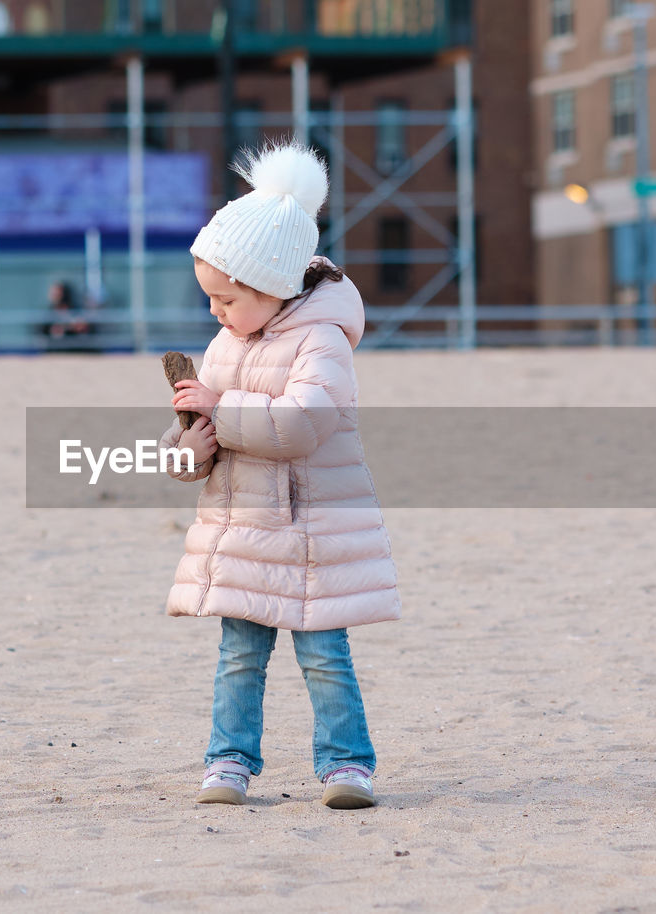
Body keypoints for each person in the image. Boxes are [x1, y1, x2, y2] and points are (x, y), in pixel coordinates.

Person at [159, 143, 400, 809]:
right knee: (238, 658)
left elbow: (302, 424)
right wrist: (189, 442)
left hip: (312, 531)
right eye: (209, 298)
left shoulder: (322, 340)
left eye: (226, 298)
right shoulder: (225, 343)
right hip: (242, 532)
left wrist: (221, 409)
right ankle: (228, 761)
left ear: (272, 287)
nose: (216, 312)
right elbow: (202, 444)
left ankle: (348, 766)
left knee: (325, 658)